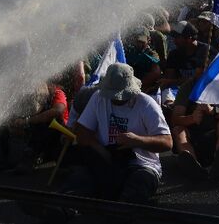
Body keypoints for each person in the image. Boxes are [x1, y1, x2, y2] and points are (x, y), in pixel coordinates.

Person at [66, 63, 172, 205]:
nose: (116, 98)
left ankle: (122, 212)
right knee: (80, 179)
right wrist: (102, 151)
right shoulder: (99, 97)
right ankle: (62, 208)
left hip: (142, 164)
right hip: (107, 160)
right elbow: (82, 131)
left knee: (138, 185)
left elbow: (167, 142)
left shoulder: (146, 104)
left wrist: (137, 140)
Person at [170, 71, 219, 180]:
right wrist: (192, 118)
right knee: (178, 130)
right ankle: (192, 163)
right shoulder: (188, 87)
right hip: (193, 137)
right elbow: (176, 119)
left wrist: (215, 111)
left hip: (215, 136)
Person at [0, 81, 68, 173]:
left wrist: (26, 121)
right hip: (32, 126)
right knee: (1, 124)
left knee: (43, 124)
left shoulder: (58, 93)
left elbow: (57, 111)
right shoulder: (26, 93)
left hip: (57, 135)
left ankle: (29, 158)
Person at [160, 21, 210, 92]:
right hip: (178, 91)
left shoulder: (206, 52)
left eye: (177, 37)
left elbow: (199, 78)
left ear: (189, 38)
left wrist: (172, 81)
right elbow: (169, 77)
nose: (174, 41)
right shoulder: (173, 54)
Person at [123, 26, 162, 100]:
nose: (139, 44)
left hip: (145, 88)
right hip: (129, 85)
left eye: (142, 42)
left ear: (148, 40)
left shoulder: (152, 54)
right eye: (137, 41)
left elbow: (155, 73)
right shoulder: (130, 51)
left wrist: (137, 85)